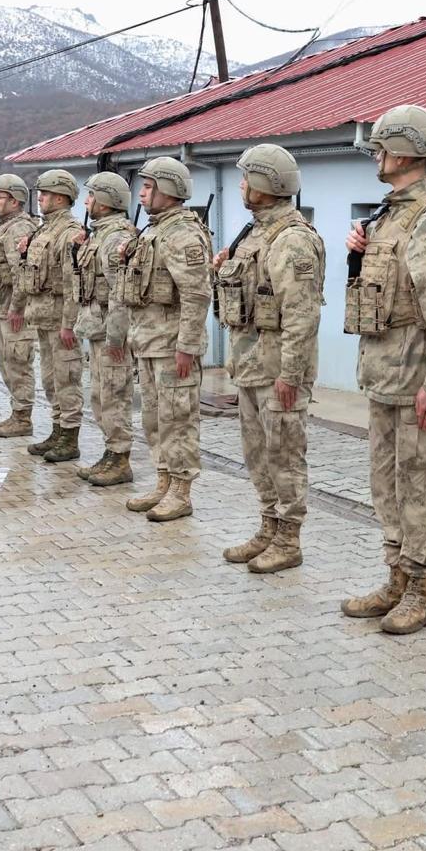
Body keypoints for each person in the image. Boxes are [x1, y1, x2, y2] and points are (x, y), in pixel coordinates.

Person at [339, 105, 426, 635]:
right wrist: (359, 254)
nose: (375, 155)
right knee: (387, 485)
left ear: (405, 152)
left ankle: (422, 590)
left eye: (381, 147)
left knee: (420, 490)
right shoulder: (388, 216)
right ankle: (396, 577)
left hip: (417, 380)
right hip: (385, 376)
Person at [211, 144, 325, 573]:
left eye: (247, 178)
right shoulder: (254, 234)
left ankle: (289, 539)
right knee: (258, 454)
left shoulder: (292, 239)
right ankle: (268, 527)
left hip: (277, 369)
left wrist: (291, 374)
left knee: (285, 454)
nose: (241, 185)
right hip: (250, 365)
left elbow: (301, 314)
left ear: (265, 183)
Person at [119, 157, 212, 522]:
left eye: (148, 187)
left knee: (178, 420)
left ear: (169, 189)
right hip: (149, 342)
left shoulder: (183, 234)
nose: (141, 194)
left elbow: (196, 294)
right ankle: (163, 481)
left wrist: (187, 346)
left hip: (172, 347)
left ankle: (181, 491)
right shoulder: (154, 230)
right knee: (155, 420)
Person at [72, 171, 138, 484]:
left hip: (111, 335)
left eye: (92, 195)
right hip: (98, 331)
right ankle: (111, 453)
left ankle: (121, 458)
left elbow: (120, 294)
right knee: (100, 397)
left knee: (114, 396)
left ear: (107, 200)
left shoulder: (114, 238)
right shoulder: (99, 235)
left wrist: (116, 338)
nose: (86, 201)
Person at [20, 170, 88, 461]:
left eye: (45, 194)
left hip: (60, 319)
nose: (40, 198)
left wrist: (69, 324)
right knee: (50, 381)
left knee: (66, 379)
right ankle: (58, 430)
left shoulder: (69, 232)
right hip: (43, 318)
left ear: (61, 197)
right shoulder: (44, 230)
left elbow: (73, 284)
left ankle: (70, 438)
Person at [0, 175, 39, 435]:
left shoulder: (18, 228)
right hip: (1, 307)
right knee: (7, 363)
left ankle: (23, 418)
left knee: (17, 363)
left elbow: (20, 274)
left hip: (14, 310)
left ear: (15, 201)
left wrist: (17, 308)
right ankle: (17, 413)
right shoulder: (3, 227)